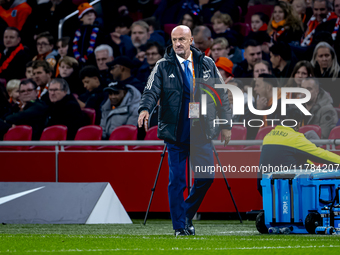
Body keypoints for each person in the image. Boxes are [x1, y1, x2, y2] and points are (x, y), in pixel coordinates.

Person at [138, 25, 232, 236]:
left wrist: (226, 125)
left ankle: (186, 213)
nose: (178, 43)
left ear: (191, 41)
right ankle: (180, 226)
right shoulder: (162, 65)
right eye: (174, 40)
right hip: (175, 131)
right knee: (177, 181)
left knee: (206, 177)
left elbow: (221, 95)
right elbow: (151, 90)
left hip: (201, 130)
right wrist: (145, 109)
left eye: (182, 39)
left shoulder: (207, 63)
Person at [258, 105, 340, 194]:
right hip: (287, 191)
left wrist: (313, 166)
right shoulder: (295, 138)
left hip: (265, 189)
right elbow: (321, 155)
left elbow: (290, 159)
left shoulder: (268, 136)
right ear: (298, 124)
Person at [72, 2, 103, 67]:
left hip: (93, 65)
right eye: (86, 13)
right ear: (81, 18)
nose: (90, 15)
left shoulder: (100, 31)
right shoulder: (76, 33)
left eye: (92, 13)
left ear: (95, 16)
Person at [310, 41, 340, 106]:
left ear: (332, 57)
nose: (324, 59)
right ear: (316, 58)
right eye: (321, 56)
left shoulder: (338, 74)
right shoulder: (311, 73)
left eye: (327, 55)